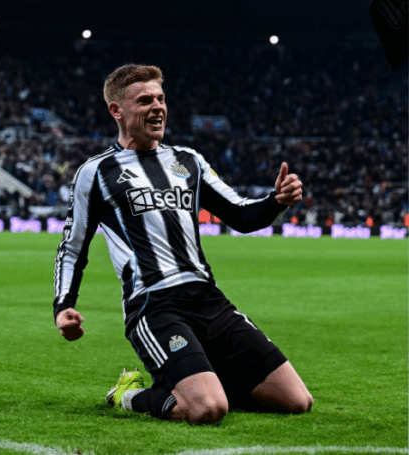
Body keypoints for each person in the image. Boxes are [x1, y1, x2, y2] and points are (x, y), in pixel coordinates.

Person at [53, 64, 312, 424]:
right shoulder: (95, 173)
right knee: (208, 409)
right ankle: (128, 395)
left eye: (160, 98)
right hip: (155, 306)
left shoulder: (188, 161)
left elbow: (241, 215)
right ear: (117, 110)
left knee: (298, 401)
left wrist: (276, 201)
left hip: (209, 300)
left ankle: (205, 381)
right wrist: (63, 305)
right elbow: (72, 247)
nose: (157, 107)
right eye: (145, 101)